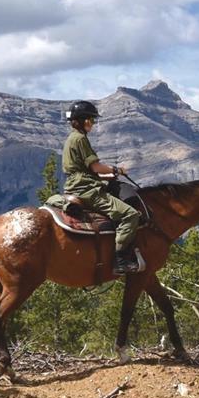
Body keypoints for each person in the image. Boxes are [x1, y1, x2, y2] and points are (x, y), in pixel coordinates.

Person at [62, 101, 141, 275]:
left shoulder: (72, 138)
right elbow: (95, 167)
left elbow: (86, 170)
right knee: (130, 215)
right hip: (86, 188)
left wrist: (107, 176)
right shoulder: (80, 139)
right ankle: (120, 260)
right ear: (83, 121)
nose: (93, 123)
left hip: (77, 183)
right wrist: (116, 170)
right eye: (91, 119)